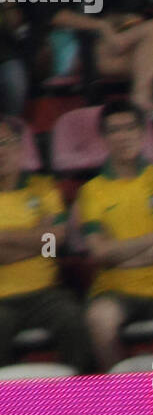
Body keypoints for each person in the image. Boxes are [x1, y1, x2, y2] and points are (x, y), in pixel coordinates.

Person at [77, 101, 153, 369]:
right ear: (104, 138)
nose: (124, 136)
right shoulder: (92, 191)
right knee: (98, 319)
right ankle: (122, 396)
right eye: (115, 130)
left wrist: (121, 257)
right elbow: (99, 252)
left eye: (130, 128)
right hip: (117, 291)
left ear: (143, 133)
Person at [0, 116, 94, 372]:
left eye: (5, 143)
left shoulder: (44, 188)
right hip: (2, 300)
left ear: (19, 148)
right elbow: (45, 242)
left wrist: (4, 237)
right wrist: (37, 238)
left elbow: (54, 242)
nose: (1, 152)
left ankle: (84, 400)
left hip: (45, 293)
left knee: (74, 320)